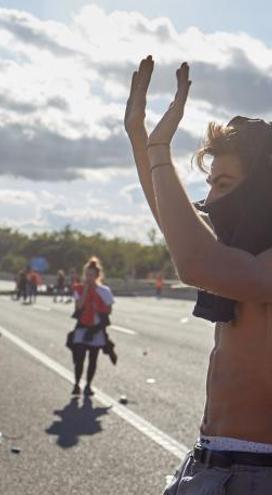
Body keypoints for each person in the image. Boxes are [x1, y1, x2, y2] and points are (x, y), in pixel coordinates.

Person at [126, 56, 272, 494]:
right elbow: (178, 227)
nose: (209, 200)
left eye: (223, 184)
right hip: (211, 461)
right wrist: (138, 133)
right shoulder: (239, 253)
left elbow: (194, 261)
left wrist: (158, 151)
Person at [67, 257, 114, 397]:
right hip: (82, 326)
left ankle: (88, 385)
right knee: (79, 357)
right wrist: (86, 291)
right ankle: (76, 384)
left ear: (97, 276)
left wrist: (98, 305)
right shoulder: (80, 289)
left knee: (93, 358)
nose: (88, 277)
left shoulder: (104, 291)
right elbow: (79, 306)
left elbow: (109, 310)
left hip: (97, 328)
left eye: (91, 275)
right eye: (86, 275)